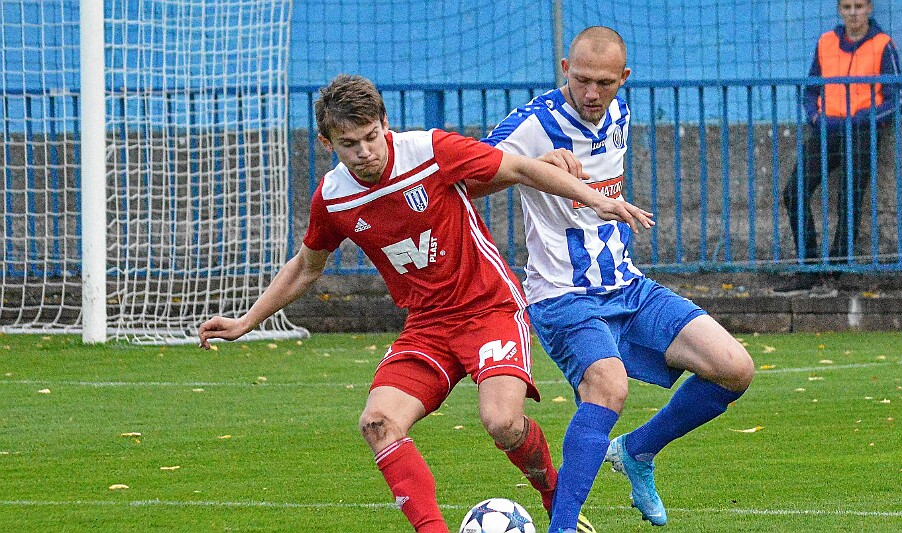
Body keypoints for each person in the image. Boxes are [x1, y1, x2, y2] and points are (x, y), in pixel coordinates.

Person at [197, 74, 648, 533]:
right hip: (427, 326)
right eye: (349, 144)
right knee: (377, 423)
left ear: (385, 124)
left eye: (371, 136)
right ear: (326, 142)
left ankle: (554, 495)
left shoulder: (430, 151)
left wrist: (595, 200)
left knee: (503, 423)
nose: (364, 151)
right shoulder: (332, 198)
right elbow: (305, 267)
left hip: (488, 307)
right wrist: (247, 321)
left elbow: (522, 168)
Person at [473, 27, 754, 533]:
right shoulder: (533, 124)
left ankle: (637, 451)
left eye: (604, 83)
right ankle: (562, 526)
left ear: (623, 78)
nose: (591, 93)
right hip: (563, 296)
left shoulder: (618, 114)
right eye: (581, 80)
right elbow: (465, 178)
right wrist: (529, 166)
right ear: (565, 69)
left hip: (627, 286)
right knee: (608, 385)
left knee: (734, 368)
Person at [781, 0, 902, 270]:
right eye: (847, 7)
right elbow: (811, 89)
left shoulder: (882, 44)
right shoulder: (826, 42)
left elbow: (896, 100)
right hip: (828, 130)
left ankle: (838, 266)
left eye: (859, 6)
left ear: (869, 8)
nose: (853, 13)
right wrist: (816, 117)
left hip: (862, 133)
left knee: (849, 198)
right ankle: (809, 264)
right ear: (839, 10)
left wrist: (864, 119)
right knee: (794, 192)